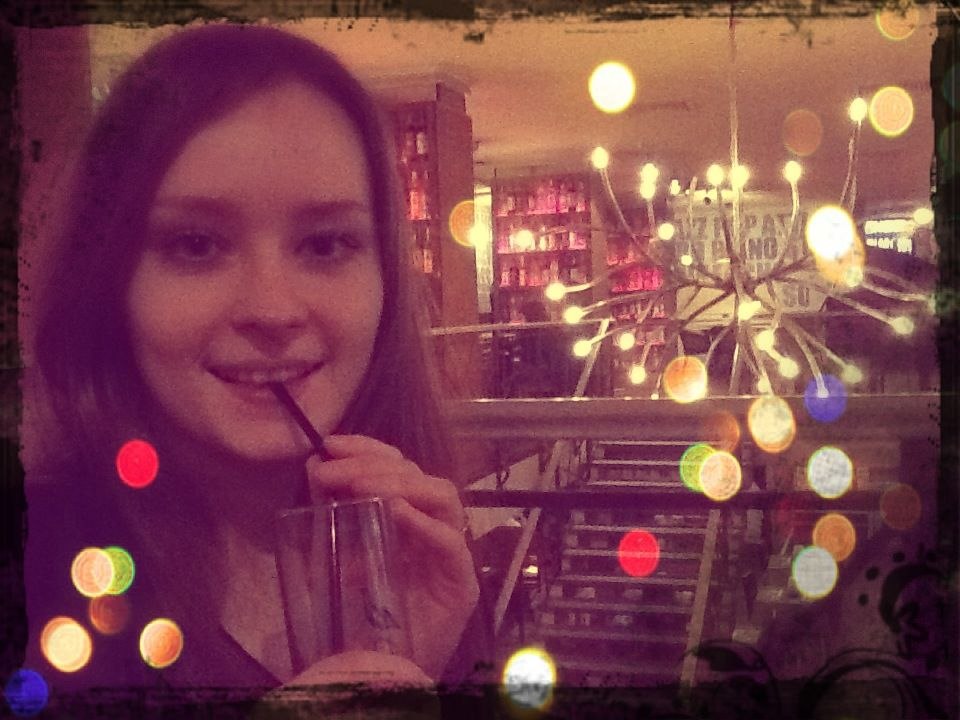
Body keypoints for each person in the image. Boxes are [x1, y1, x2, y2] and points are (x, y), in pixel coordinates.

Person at [22, 23, 488, 704]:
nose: (273, 310)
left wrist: (413, 681)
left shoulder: (413, 556)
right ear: (108, 281)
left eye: (325, 245)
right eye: (196, 245)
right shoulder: (34, 567)